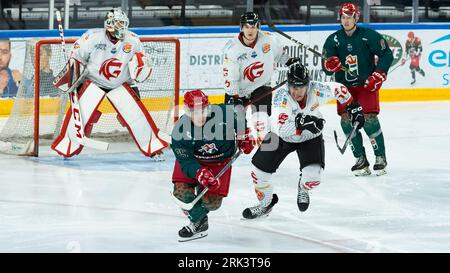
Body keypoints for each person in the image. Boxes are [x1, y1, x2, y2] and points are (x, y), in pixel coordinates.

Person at [242, 59, 364, 219]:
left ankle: (303, 188)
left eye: (301, 87)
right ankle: (265, 204)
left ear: (308, 84)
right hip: (280, 137)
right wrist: (302, 123)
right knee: (258, 173)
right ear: (288, 84)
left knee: (313, 178)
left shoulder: (317, 89)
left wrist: (353, 107)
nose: (296, 92)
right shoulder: (281, 96)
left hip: (310, 136)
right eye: (293, 86)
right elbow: (282, 130)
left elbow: (339, 89)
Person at [51, 8, 169, 158]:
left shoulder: (132, 40)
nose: (122, 27)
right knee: (79, 117)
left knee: (138, 118)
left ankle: (153, 149)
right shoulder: (92, 37)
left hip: (120, 84)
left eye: (123, 23)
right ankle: (67, 148)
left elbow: (140, 63)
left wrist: (139, 76)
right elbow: (76, 58)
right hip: (93, 82)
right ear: (109, 24)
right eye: (118, 23)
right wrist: (71, 77)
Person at [171, 89, 255, 241]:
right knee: (181, 194)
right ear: (187, 110)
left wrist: (245, 135)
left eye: (202, 110)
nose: (199, 116)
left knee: (212, 204)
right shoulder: (180, 130)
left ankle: (201, 212)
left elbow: (240, 118)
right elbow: (185, 160)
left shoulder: (223, 113)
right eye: (194, 111)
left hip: (219, 162)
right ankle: (199, 221)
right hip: (194, 161)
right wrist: (199, 172)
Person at [321, 3, 393, 176]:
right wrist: (330, 64)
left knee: (368, 119)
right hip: (344, 88)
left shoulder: (369, 36)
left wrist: (379, 75)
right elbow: (326, 64)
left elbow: (386, 54)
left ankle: (380, 156)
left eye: (349, 17)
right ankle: (360, 159)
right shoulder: (333, 39)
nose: (346, 21)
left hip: (365, 86)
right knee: (346, 121)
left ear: (356, 18)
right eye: (343, 17)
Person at [222, 11, 284, 144]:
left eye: (253, 26)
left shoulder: (269, 39)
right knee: (234, 126)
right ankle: (238, 143)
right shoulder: (232, 49)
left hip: (261, 86)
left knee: (261, 122)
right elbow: (229, 77)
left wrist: (292, 62)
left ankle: (264, 149)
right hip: (238, 90)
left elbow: (280, 56)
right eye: (247, 27)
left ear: (258, 27)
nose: (250, 30)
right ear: (241, 28)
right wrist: (235, 96)